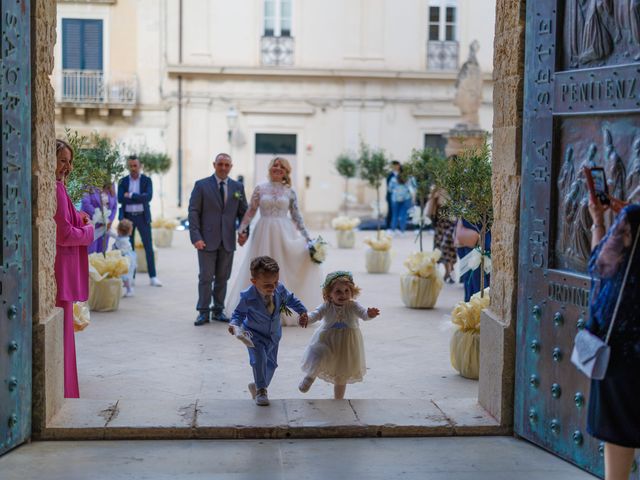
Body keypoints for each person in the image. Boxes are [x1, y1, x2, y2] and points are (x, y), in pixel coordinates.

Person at [224, 157, 323, 324]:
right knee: (260, 269)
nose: (277, 168)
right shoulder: (260, 188)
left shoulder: (290, 191)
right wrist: (241, 230)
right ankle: (257, 310)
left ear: (286, 172)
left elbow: (297, 217)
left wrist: (307, 238)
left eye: (281, 167)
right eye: (275, 165)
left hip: (285, 234)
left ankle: (280, 309)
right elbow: (250, 211)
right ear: (270, 169)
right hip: (263, 232)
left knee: (282, 270)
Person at [586, 191, 640, 480]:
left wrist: (599, 220)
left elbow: (600, 266)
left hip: (623, 359)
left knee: (617, 464)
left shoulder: (632, 219)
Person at [228, 256, 308, 406]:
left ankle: (258, 384)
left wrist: (302, 312)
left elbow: (291, 300)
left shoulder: (280, 289)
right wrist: (234, 324)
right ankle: (261, 390)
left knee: (271, 364)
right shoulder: (248, 297)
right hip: (253, 334)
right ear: (254, 281)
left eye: (275, 282)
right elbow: (238, 314)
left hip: (273, 334)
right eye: (266, 284)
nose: (272, 287)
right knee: (259, 360)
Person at [54, 139, 95, 398]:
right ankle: (66, 391)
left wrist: (78, 215)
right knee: (64, 334)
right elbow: (65, 234)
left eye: (69, 162)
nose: (67, 166)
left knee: (66, 331)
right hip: (62, 269)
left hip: (63, 267)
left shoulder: (59, 187)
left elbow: (66, 217)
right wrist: (88, 231)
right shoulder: (56, 188)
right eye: (62, 161)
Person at [298, 271, 380, 399]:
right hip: (327, 339)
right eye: (338, 291)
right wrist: (306, 318)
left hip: (347, 343)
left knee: (342, 372)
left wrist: (370, 314)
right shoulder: (327, 306)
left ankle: (339, 399)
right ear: (329, 294)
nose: (343, 294)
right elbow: (315, 315)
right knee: (318, 355)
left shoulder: (353, 306)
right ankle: (310, 377)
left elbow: (364, 315)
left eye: (347, 290)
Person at [188, 153, 249, 326]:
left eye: (226, 165)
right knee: (206, 277)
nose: (223, 168)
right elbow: (193, 212)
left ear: (231, 167)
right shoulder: (201, 185)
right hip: (205, 240)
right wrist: (196, 237)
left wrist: (243, 232)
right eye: (220, 164)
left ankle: (218, 310)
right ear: (214, 164)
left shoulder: (237, 187)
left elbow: (243, 213)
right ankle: (203, 311)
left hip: (227, 240)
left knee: (223, 277)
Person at [117, 155, 162, 287]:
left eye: (135, 165)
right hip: (128, 218)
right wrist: (138, 197)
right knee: (128, 248)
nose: (133, 168)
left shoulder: (147, 180)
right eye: (130, 166)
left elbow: (147, 198)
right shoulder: (123, 181)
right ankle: (131, 278)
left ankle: (153, 277)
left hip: (142, 217)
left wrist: (130, 195)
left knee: (148, 247)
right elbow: (120, 198)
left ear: (140, 166)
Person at [455, 219, 491, 302]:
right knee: (474, 277)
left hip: (476, 239)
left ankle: (473, 304)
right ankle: (474, 304)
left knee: (474, 277)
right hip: (474, 239)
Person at [427, 186, 457, 283]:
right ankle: (448, 271)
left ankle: (451, 270)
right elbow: (431, 209)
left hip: (452, 223)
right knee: (440, 248)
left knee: (448, 247)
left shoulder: (454, 187)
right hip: (440, 224)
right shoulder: (437, 188)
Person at [81, 184, 117, 254]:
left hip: (106, 225)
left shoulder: (111, 184)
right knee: (90, 251)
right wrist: (101, 218)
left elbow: (115, 206)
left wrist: (109, 220)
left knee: (103, 251)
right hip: (91, 223)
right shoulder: (87, 183)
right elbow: (86, 203)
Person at [109, 219, 136, 297]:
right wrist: (107, 231)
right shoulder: (120, 237)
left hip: (125, 260)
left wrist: (116, 252)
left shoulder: (124, 241)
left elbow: (124, 250)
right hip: (120, 259)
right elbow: (113, 235)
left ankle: (129, 289)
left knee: (125, 276)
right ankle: (126, 287)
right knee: (120, 276)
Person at [387, 166, 415, 236]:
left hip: (395, 198)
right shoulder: (410, 179)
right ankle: (402, 231)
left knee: (395, 215)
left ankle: (393, 230)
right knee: (404, 215)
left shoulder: (394, 179)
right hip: (406, 198)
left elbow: (389, 189)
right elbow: (413, 188)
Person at [385, 160, 401, 229]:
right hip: (391, 196)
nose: (395, 167)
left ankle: (397, 227)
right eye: (394, 166)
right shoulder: (390, 175)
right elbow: (389, 186)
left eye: (396, 165)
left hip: (401, 196)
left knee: (398, 212)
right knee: (390, 211)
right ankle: (388, 226)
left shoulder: (402, 174)